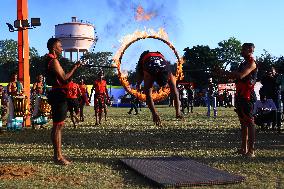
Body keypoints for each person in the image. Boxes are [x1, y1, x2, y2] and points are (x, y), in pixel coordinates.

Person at [45, 38, 81, 165]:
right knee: (57, 126)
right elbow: (65, 78)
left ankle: (58, 156)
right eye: (60, 46)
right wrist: (75, 67)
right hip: (58, 95)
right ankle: (58, 157)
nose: (62, 48)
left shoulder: (50, 59)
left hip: (58, 94)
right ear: (54, 48)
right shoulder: (53, 61)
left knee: (58, 125)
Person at [223, 43, 258, 157]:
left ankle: (251, 151)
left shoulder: (252, 63)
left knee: (250, 122)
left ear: (250, 50)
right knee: (243, 122)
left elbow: (241, 76)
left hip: (248, 96)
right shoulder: (243, 63)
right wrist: (220, 73)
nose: (241, 51)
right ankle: (244, 148)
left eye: (243, 49)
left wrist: (224, 72)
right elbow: (234, 77)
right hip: (240, 94)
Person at [136, 50, 182, 126]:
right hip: (145, 57)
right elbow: (148, 96)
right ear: (155, 80)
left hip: (159, 55)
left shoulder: (169, 73)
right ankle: (138, 83)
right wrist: (154, 114)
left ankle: (178, 112)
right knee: (140, 79)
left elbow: (175, 93)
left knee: (174, 89)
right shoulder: (149, 74)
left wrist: (178, 112)